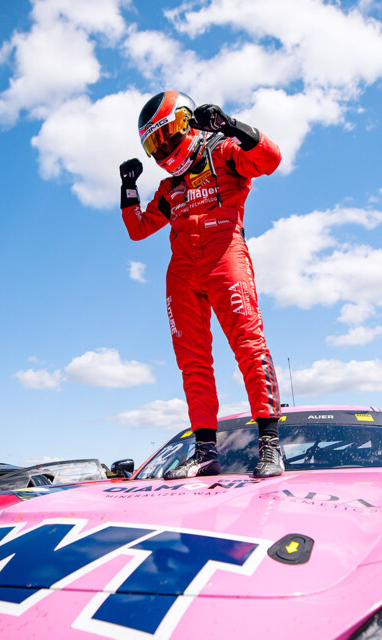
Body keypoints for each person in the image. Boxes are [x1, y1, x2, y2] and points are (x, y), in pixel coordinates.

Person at [119, 90, 283, 479]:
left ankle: (271, 446)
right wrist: (128, 186)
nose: (160, 150)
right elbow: (139, 229)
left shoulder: (224, 152)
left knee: (248, 344)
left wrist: (232, 126)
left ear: (184, 121)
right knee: (192, 363)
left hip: (225, 255)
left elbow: (270, 160)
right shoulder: (168, 187)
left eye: (163, 135)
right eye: (151, 144)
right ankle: (205, 453)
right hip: (181, 273)